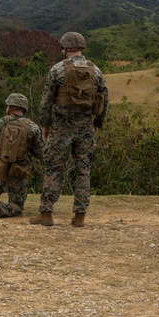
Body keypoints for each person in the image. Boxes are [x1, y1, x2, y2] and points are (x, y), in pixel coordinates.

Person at [30, 31, 108, 227]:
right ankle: (79, 215)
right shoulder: (95, 71)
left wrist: (45, 125)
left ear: (64, 48)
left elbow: (46, 101)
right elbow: (103, 100)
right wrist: (97, 123)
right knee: (83, 169)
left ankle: (46, 212)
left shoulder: (57, 70)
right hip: (85, 128)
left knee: (54, 168)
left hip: (61, 127)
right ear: (82, 48)